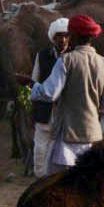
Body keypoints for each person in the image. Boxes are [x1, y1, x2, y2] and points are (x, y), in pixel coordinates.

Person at [27, 13, 104, 170]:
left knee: (56, 181)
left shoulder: (67, 60)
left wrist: (30, 84)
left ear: (74, 36)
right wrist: (88, 106)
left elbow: (50, 93)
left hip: (67, 138)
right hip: (92, 135)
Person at [30, 17, 69, 178]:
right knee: (40, 150)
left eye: (66, 35)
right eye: (59, 36)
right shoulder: (43, 55)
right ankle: (40, 179)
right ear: (53, 38)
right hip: (45, 111)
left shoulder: (73, 57)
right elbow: (34, 81)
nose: (63, 39)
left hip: (66, 112)